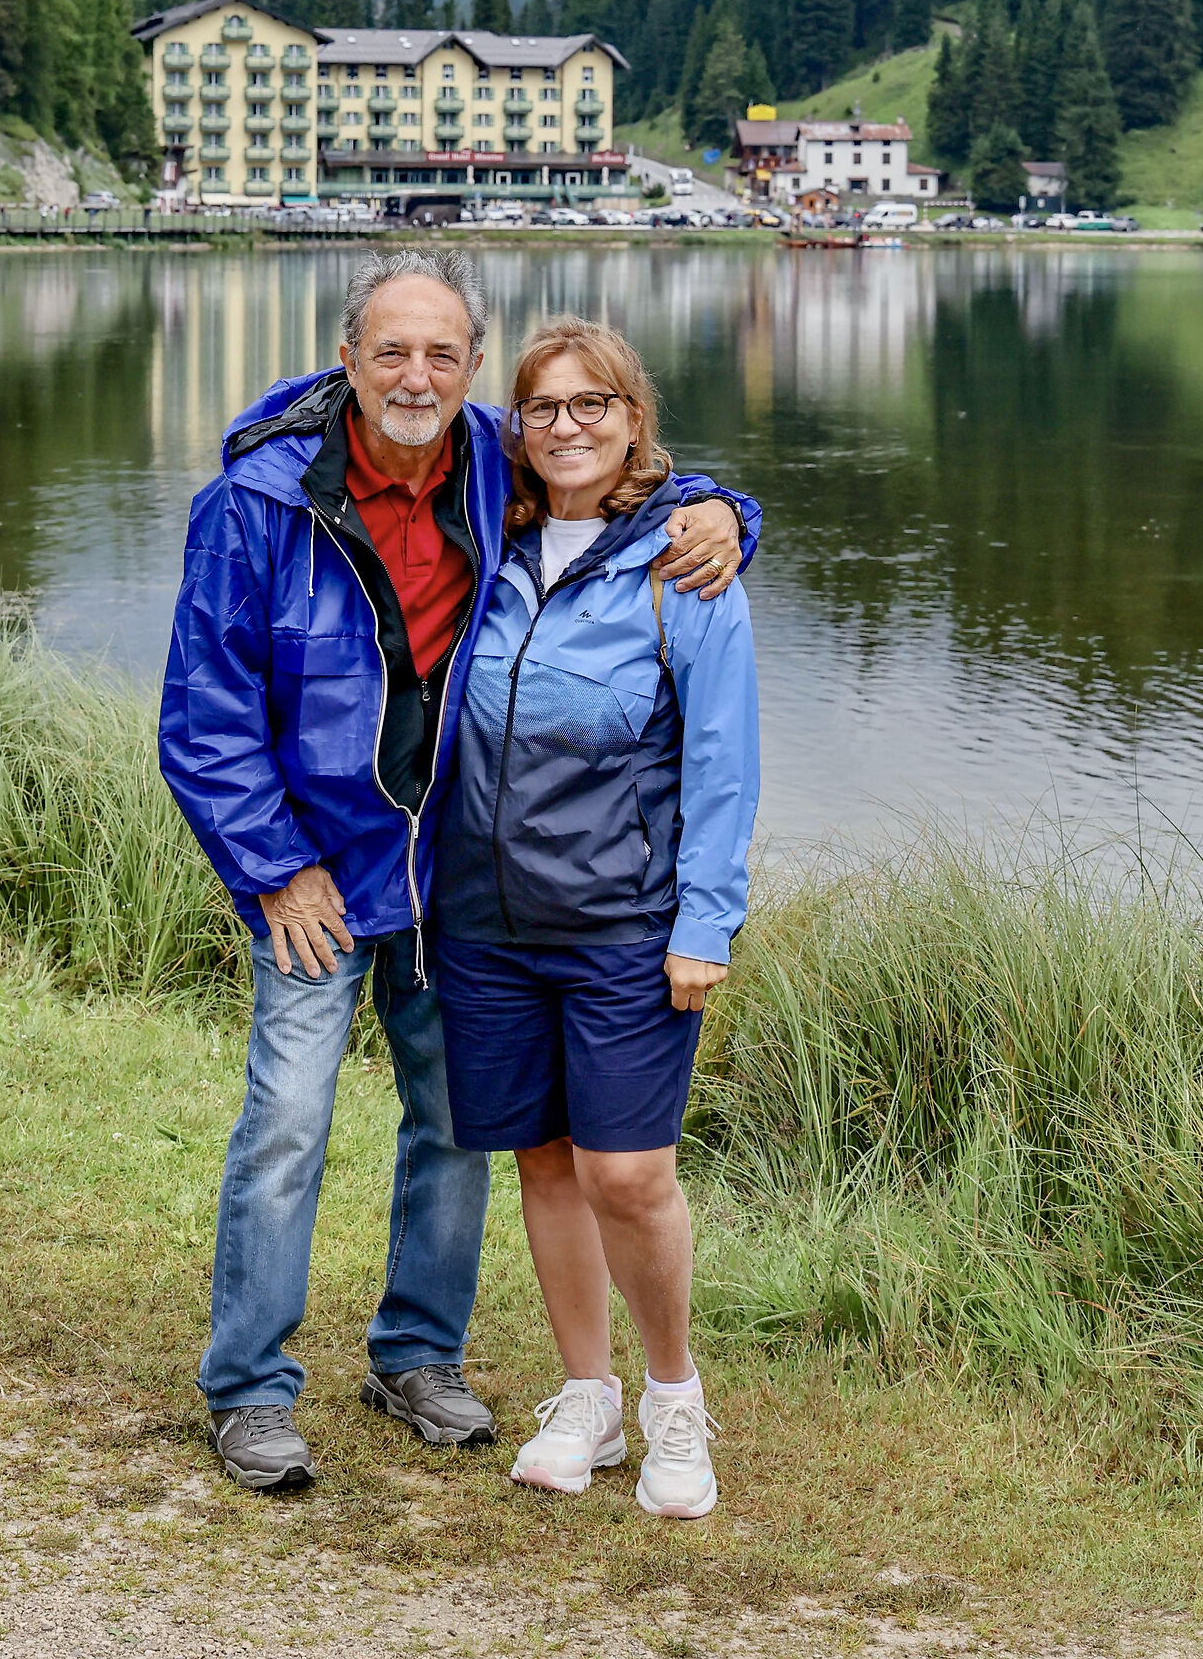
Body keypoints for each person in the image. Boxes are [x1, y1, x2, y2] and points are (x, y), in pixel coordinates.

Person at [159, 251, 760, 1496]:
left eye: (442, 353)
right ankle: (250, 1391)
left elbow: (622, 464)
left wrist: (726, 513)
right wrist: (275, 871)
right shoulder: (259, 504)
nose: (415, 376)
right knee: (287, 1122)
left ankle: (416, 1355)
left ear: (473, 369)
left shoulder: (495, 463)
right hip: (316, 880)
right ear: (346, 360)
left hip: (452, 881)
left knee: (456, 1130)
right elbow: (202, 719)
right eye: (390, 351)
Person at [433, 317, 758, 1523]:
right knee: (547, 1164)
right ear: (514, 427)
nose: (565, 427)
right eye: (542, 408)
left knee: (630, 1171)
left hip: (627, 925)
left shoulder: (685, 566)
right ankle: (588, 1397)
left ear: (634, 420)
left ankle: (675, 1400)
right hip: (485, 923)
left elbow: (725, 762)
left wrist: (705, 923)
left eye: (592, 405)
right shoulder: (486, 542)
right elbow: (380, 403)